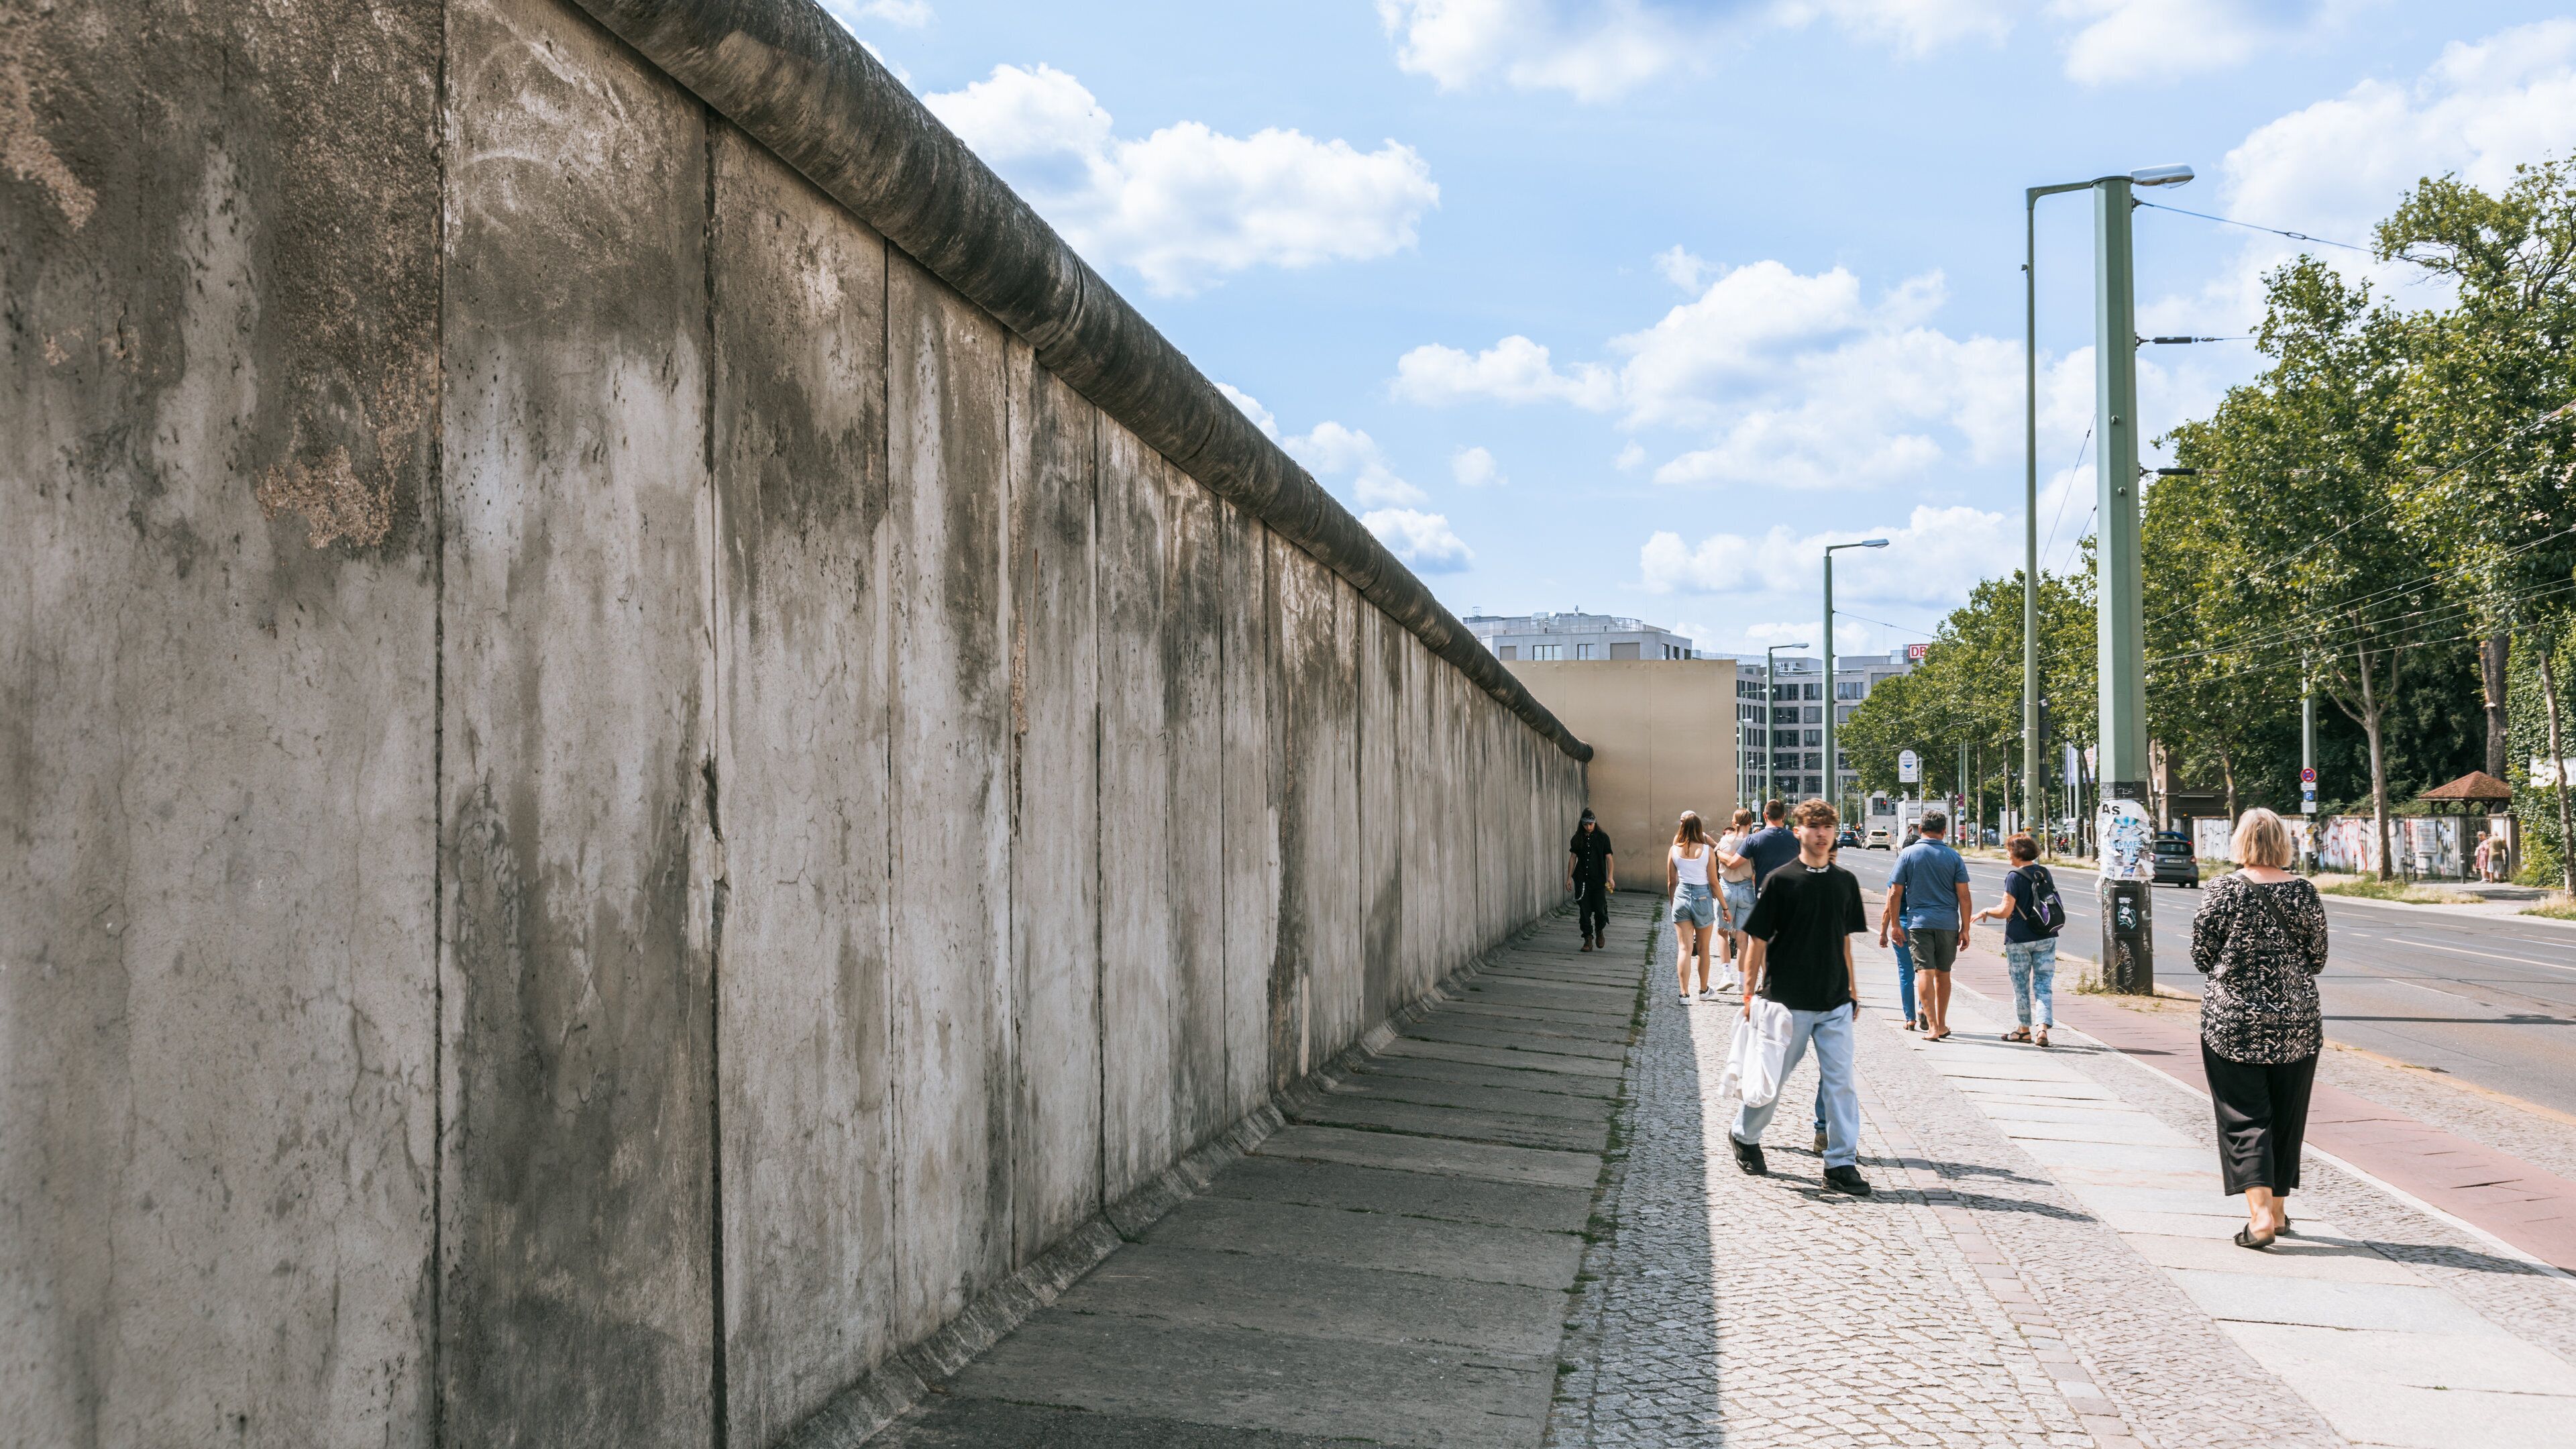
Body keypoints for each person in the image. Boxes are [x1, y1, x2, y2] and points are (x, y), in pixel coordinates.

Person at [2193, 808, 2328, 1250]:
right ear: (2282, 843)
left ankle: (2261, 1216)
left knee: (2245, 1117)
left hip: (2233, 1024)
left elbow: (2201, 955)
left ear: (2240, 843)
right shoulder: (2304, 892)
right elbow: (2318, 958)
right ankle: (2281, 1210)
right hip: (2296, 1023)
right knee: (2288, 1115)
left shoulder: (2222, 891)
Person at [1729, 798, 1872, 1196]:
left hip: (1834, 1002)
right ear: (1799, 832)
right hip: (1787, 1001)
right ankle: (1744, 1134)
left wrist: (1853, 992)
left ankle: (1840, 1164)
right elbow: (1757, 940)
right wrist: (1748, 993)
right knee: (1773, 1079)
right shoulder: (1780, 880)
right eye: (1814, 826)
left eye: (1828, 826)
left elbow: (1844, 940)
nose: (1822, 833)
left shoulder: (1844, 882)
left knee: (1840, 1082)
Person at [1886, 811, 1974, 1041]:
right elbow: (1964, 896)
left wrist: (1895, 924)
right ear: (1944, 831)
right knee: (1944, 974)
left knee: (1924, 971)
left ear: (1919, 829)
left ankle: (1933, 1027)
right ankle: (1942, 1024)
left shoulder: (1908, 854)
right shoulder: (1954, 857)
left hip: (1918, 923)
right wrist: (1965, 928)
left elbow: (1895, 893)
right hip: (1947, 923)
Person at [1975, 833, 2062, 1046]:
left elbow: (2005, 911)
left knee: (2021, 986)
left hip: (2019, 939)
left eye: (2008, 850)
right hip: (2046, 936)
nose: (2007, 854)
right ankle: (2043, 1028)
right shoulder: (2044, 872)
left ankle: (2024, 1031)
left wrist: (1986, 910)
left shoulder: (2014, 876)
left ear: (2016, 852)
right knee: (2044, 985)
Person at [1668, 812, 1721, 1002]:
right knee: (1704, 948)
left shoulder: (1674, 849)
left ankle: (1684, 994)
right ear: (1700, 829)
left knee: (1684, 948)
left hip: (1681, 896)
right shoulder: (1707, 851)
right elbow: (1714, 883)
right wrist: (1725, 907)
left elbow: (1671, 882)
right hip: (1703, 898)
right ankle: (1704, 990)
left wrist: (1674, 904)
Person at [1713, 808, 1758, 990]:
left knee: (1723, 933)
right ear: (1750, 824)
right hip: (1747, 889)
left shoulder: (1724, 841)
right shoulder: (1753, 842)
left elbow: (1717, 860)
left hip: (1727, 889)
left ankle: (1726, 975)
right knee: (1743, 939)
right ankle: (1742, 980)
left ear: (1734, 823)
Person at [1567, 809, 1616, 951]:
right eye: (1586, 824)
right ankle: (1588, 938)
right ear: (1582, 824)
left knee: (1600, 909)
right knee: (1584, 910)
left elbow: (1609, 858)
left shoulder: (1603, 838)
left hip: (1599, 880)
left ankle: (1599, 930)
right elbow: (1572, 858)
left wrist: (1610, 876)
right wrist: (1568, 878)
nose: (1589, 827)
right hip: (1582, 880)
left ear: (1595, 823)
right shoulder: (1577, 838)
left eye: (1591, 824)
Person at [1740, 799, 1800, 887]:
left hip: (1764, 893)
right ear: (1784, 816)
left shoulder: (1753, 839)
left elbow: (1732, 864)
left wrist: (1718, 850)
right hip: (1791, 892)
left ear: (1765, 815)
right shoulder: (1796, 838)